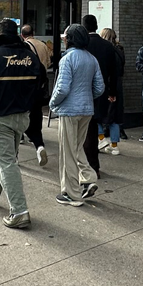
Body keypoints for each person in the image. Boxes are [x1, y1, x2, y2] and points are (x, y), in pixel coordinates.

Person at [0, 19, 47, 229]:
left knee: (6, 161)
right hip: (23, 116)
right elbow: (41, 83)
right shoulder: (30, 56)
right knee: (2, 155)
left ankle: (19, 211)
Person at [49, 24, 105, 206]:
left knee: (68, 151)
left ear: (69, 39)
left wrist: (52, 102)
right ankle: (88, 177)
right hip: (86, 109)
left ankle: (71, 193)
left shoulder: (67, 59)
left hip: (68, 110)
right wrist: (86, 98)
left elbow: (62, 87)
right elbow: (99, 88)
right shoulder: (91, 59)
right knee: (76, 147)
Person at [82, 15, 118, 177]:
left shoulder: (82, 45)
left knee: (85, 130)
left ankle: (88, 166)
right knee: (94, 125)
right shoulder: (107, 46)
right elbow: (113, 73)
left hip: (83, 91)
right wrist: (112, 92)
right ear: (96, 26)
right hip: (102, 91)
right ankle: (93, 164)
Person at [21, 24, 51, 166]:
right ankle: (38, 141)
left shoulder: (24, 47)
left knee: (24, 115)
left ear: (22, 35)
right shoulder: (43, 45)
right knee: (37, 113)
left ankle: (22, 136)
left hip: (28, 86)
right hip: (41, 83)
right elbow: (49, 62)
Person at [97, 27, 127, 155]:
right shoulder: (120, 50)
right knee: (114, 117)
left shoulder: (104, 51)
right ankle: (114, 146)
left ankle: (101, 138)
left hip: (106, 85)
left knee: (97, 115)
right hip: (118, 85)